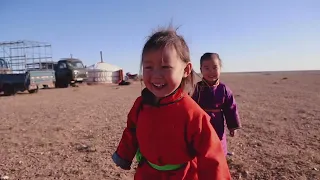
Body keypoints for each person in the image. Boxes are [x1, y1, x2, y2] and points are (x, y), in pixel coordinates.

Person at [111, 26, 232, 180]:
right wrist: (124, 155)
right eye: (148, 67)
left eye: (165, 67)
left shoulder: (192, 112)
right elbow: (132, 130)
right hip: (147, 173)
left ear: (186, 70)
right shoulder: (141, 104)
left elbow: (211, 154)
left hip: (183, 175)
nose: (156, 75)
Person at [191, 52, 241, 156]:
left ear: (220, 68)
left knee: (218, 143)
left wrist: (232, 127)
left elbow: (230, 109)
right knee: (201, 144)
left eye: (215, 68)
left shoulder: (224, 89)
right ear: (201, 70)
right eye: (207, 68)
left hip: (217, 122)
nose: (211, 72)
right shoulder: (196, 88)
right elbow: (191, 107)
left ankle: (220, 158)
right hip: (201, 122)